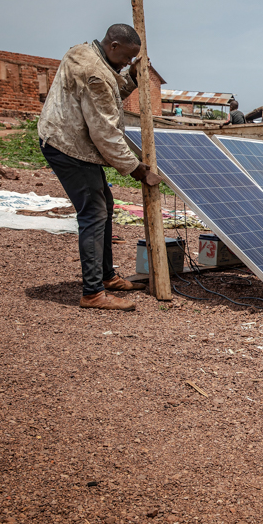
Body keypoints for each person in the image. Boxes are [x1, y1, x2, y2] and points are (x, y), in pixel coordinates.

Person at [37, 24, 163, 311]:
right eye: (128, 58)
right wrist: (137, 170)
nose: (129, 63)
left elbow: (110, 83)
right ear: (114, 45)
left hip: (67, 139)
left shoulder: (82, 53)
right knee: (94, 213)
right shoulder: (94, 74)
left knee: (104, 205)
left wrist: (130, 79)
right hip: (68, 147)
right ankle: (92, 292)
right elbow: (104, 133)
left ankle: (107, 277)